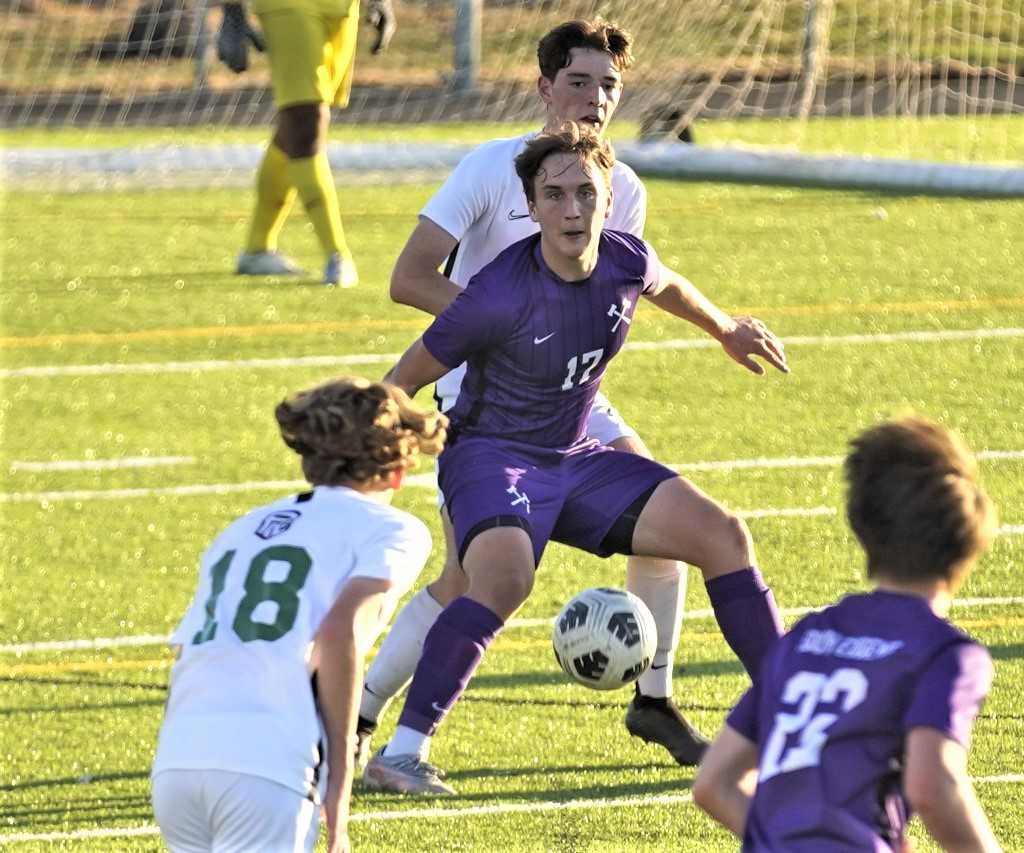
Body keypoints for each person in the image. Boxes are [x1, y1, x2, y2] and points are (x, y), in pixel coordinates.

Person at [360, 126, 789, 795]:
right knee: (500, 578)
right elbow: (403, 375)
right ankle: (403, 750)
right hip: (490, 455)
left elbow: (667, 282)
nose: (570, 208)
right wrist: (383, 458)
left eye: (585, 191)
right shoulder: (497, 294)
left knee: (722, 534)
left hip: (574, 453)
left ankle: (797, 719)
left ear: (607, 196)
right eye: (553, 194)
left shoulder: (624, 259)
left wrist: (726, 328)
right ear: (531, 206)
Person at [359, 17, 710, 768]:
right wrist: (503, 324)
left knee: (666, 522)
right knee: (466, 581)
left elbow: (613, 292)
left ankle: (653, 697)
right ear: (544, 86)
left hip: (574, 400)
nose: (595, 98)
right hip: (479, 393)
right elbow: (409, 276)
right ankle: (367, 716)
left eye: (609, 86)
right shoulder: (491, 168)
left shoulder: (624, 189)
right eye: (578, 82)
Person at [151, 378, 446, 852]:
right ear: (397, 469)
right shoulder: (392, 530)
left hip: (179, 759)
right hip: (265, 759)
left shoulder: (243, 529)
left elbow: (189, 648)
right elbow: (341, 631)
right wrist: (339, 779)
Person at [692, 417, 1003, 853]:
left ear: (863, 524)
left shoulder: (806, 638)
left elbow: (713, 784)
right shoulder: (945, 654)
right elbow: (932, 785)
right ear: (968, 541)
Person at [217, 0, 397, 287]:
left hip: (342, 8)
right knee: (307, 118)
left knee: (296, 126)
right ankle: (337, 254)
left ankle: (257, 248)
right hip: (289, 5)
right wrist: (232, 10)